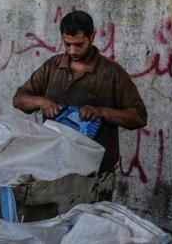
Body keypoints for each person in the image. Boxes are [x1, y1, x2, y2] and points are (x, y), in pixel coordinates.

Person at [12, 11, 147, 175]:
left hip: (94, 172)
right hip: (53, 166)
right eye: (67, 44)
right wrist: (40, 102)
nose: (72, 51)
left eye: (79, 44)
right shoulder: (52, 67)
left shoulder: (112, 73)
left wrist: (101, 112)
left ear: (92, 37)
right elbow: (19, 99)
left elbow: (138, 117)